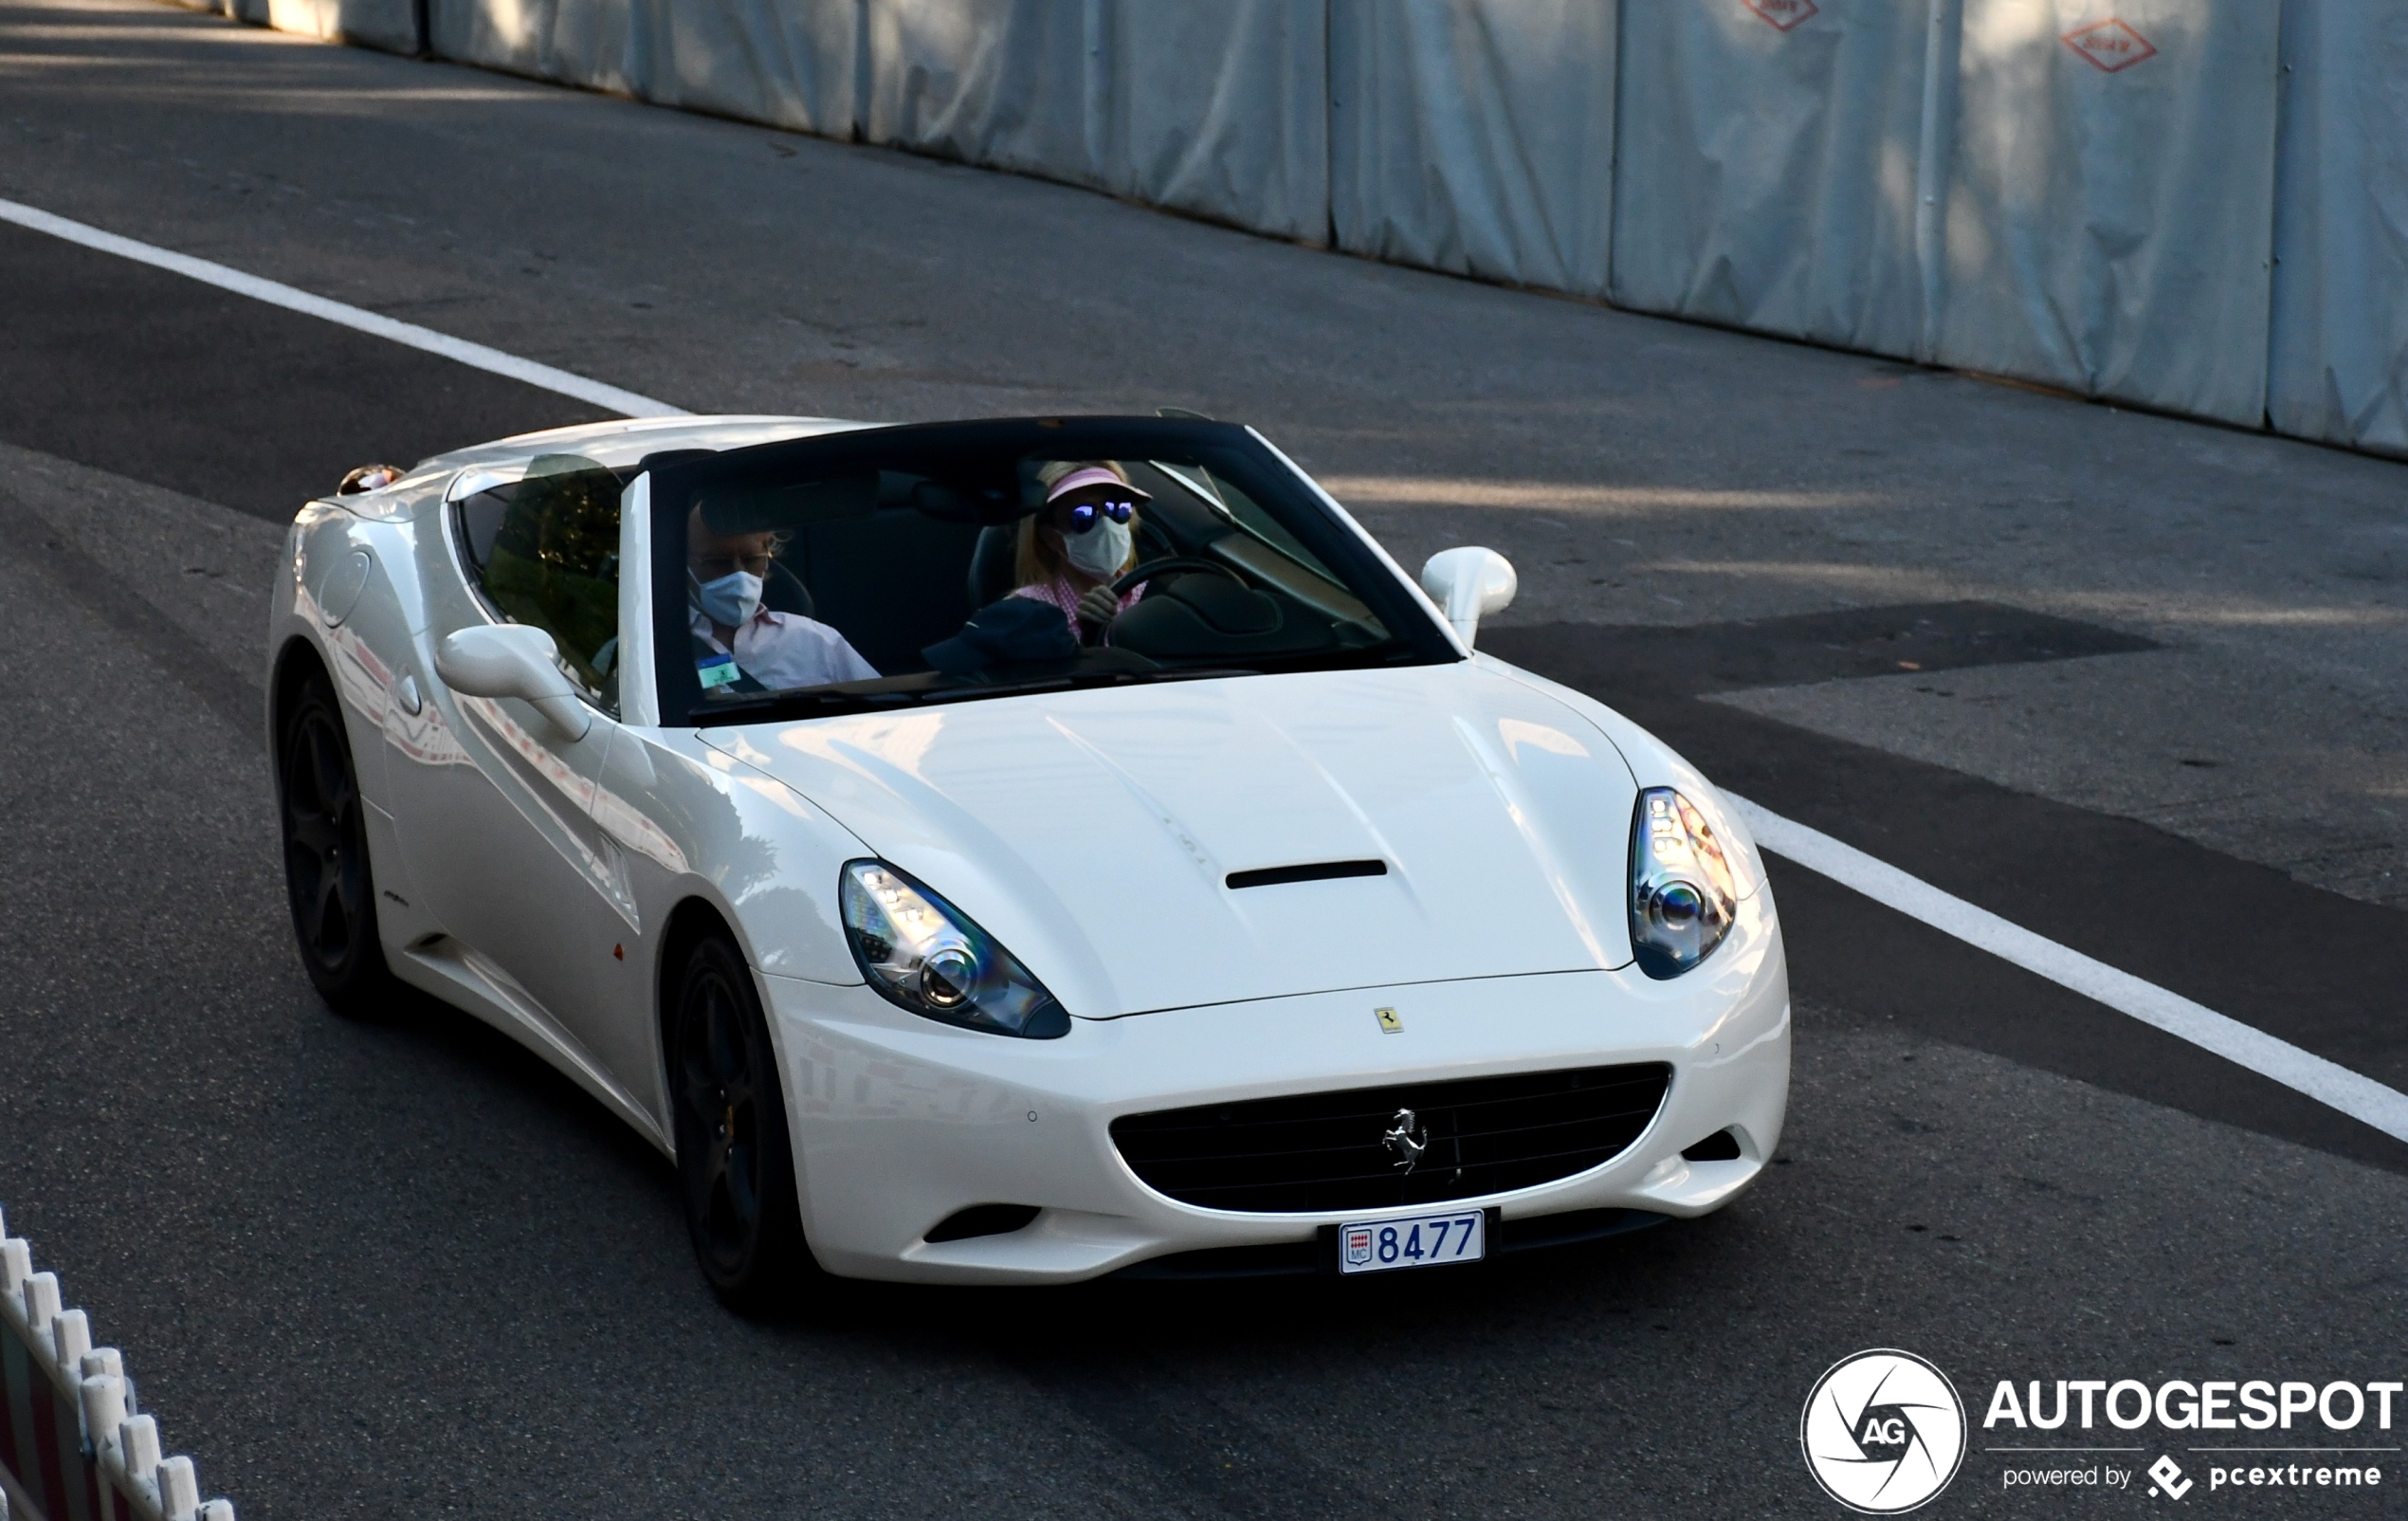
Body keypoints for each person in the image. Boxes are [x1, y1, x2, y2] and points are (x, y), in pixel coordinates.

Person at [687, 505, 878, 691]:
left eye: (751, 559)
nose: (739, 575)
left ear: (767, 558)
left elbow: (885, 711)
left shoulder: (816, 641)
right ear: (683, 564)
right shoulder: (662, 648)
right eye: (717, 562)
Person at [1009, 461, 1151, 641]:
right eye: (1083, 515)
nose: (1107, 525)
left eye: (1118, 509)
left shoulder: (1151, 593)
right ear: (1051, 537)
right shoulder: (1027, 611)